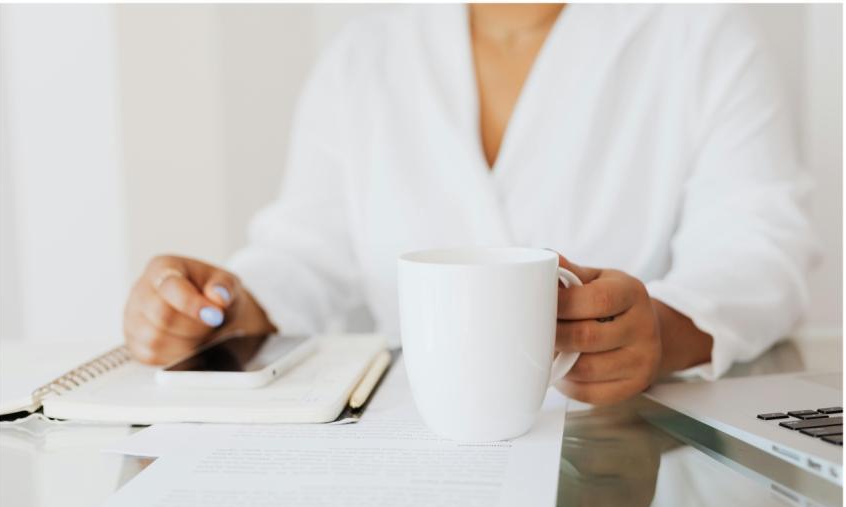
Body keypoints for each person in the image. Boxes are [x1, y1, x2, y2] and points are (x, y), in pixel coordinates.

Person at [122, 4, 817, 405]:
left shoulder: (702, 35)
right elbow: (311, 247)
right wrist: (228, 308)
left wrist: (662, 331)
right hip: (421, 462)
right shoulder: (367, 52)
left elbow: (759, 249)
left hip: (634, 470)